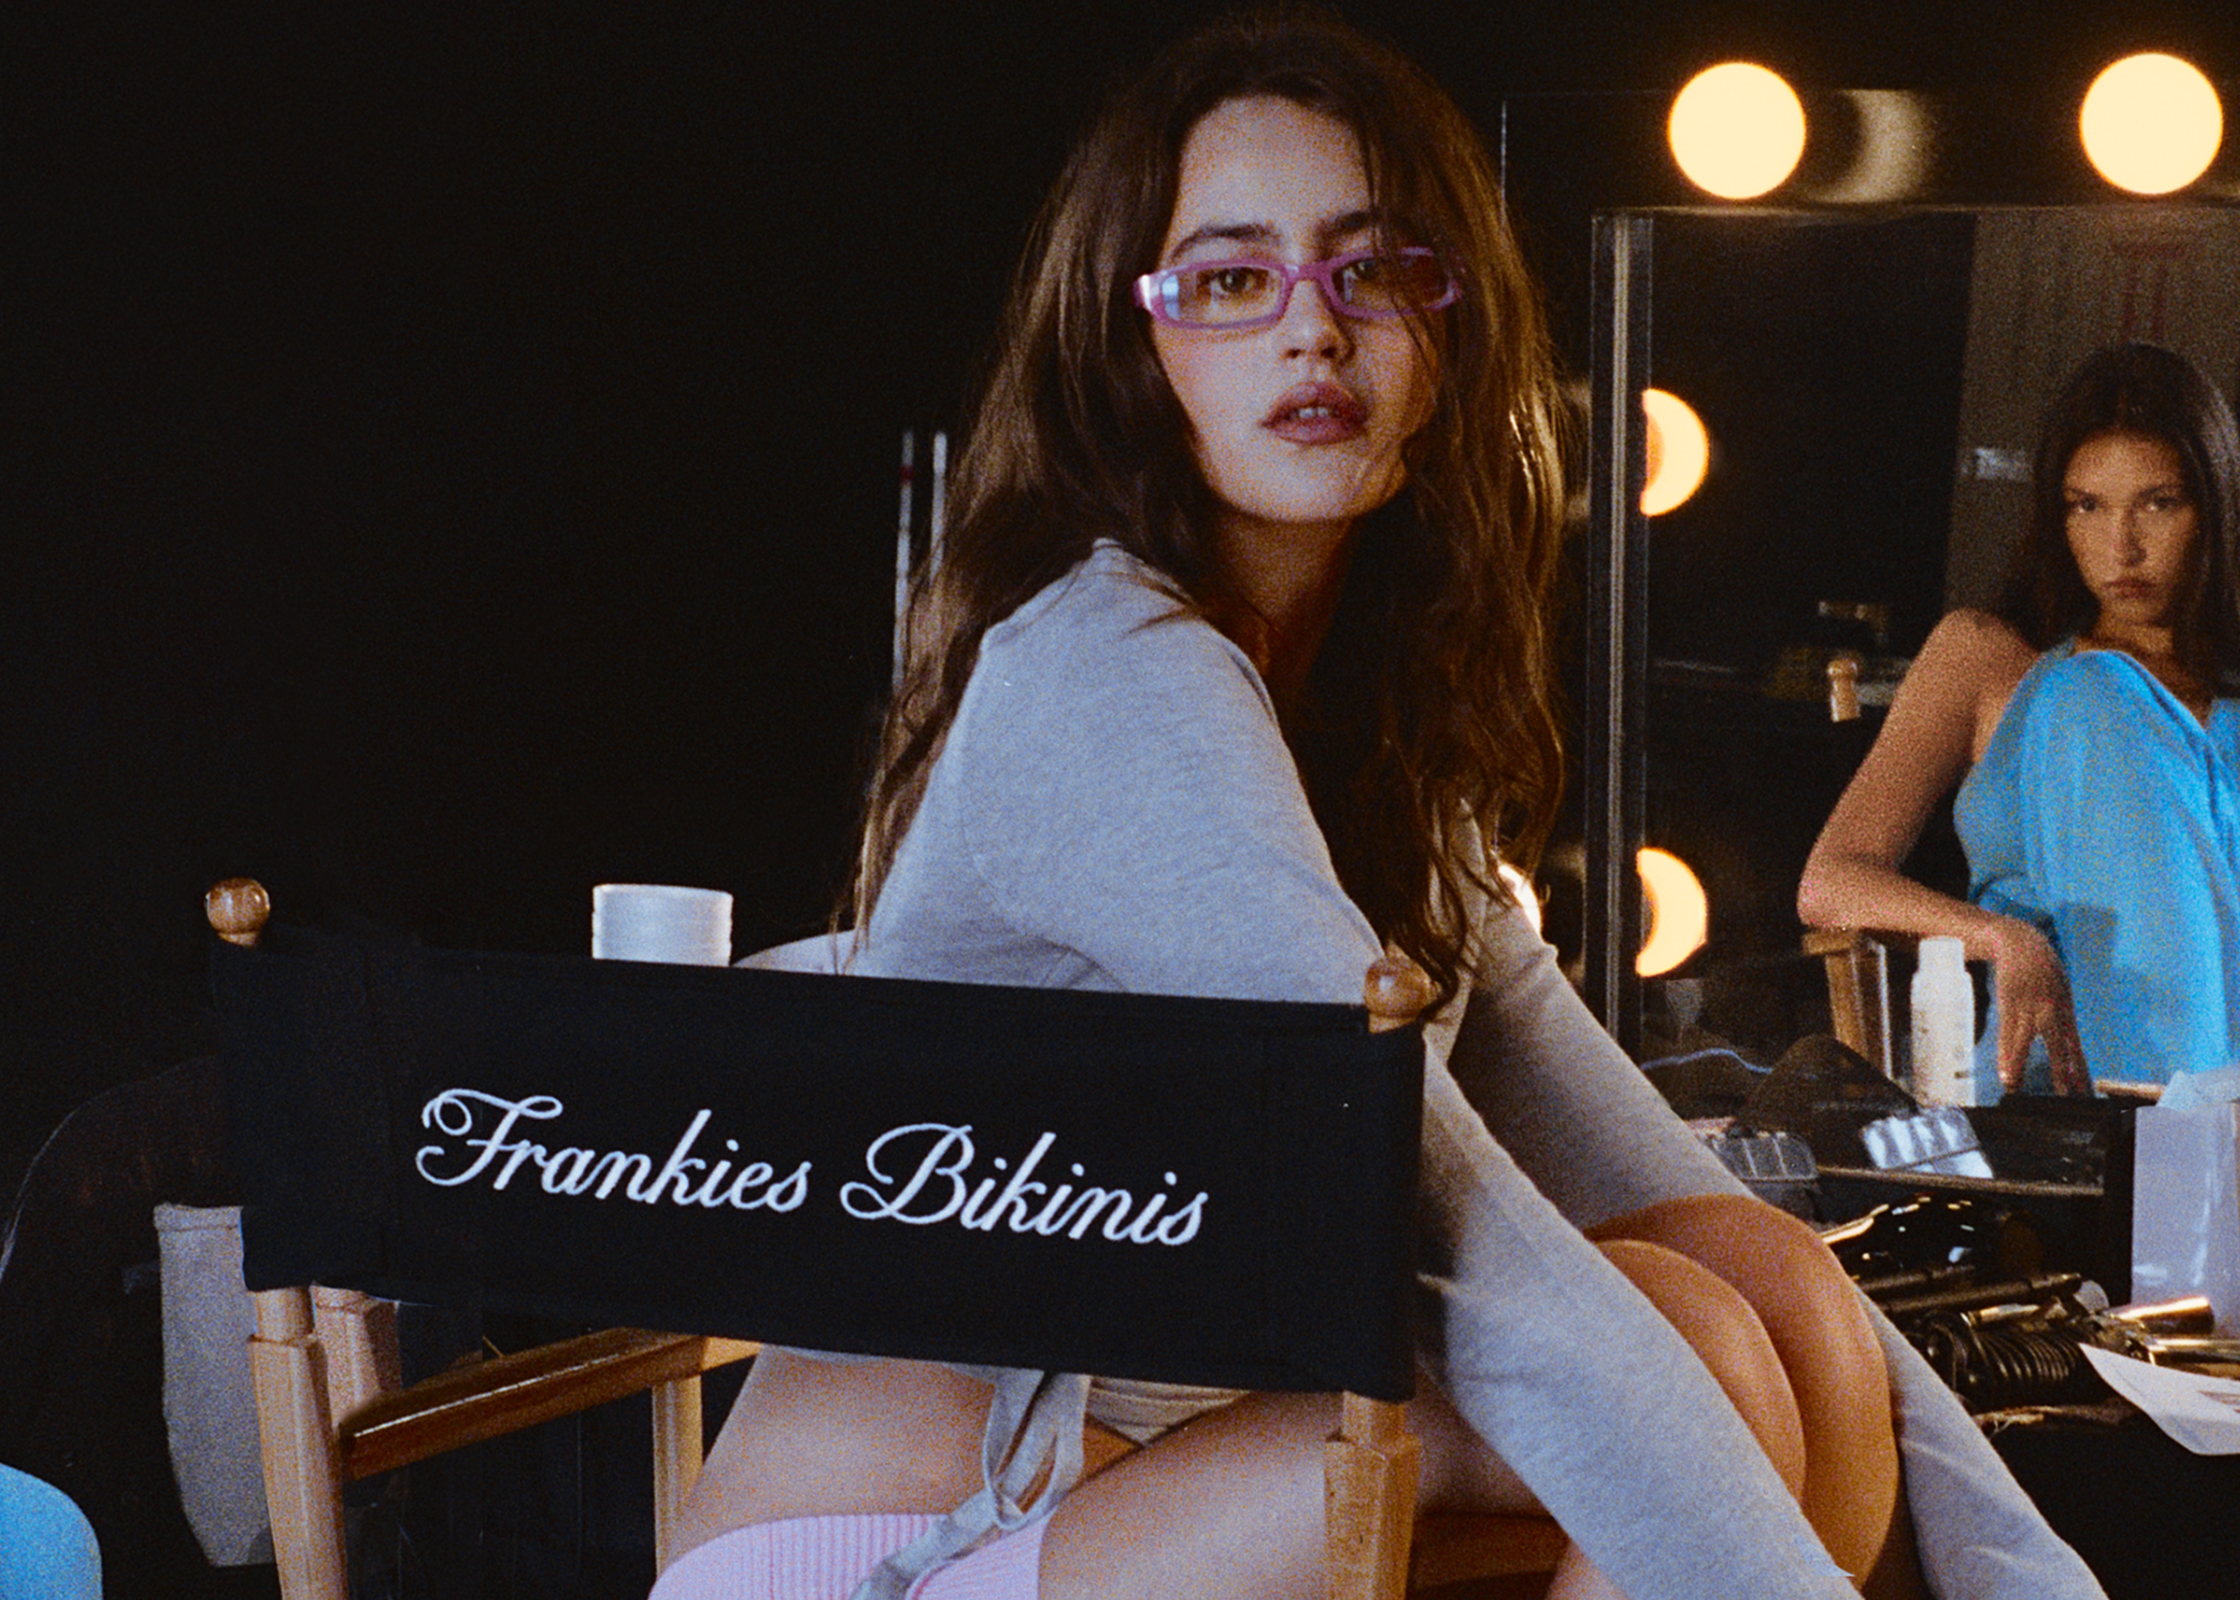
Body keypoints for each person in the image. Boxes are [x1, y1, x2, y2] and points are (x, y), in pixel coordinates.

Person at [661, 11, 2102, 1600]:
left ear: (1451, 333)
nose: (1313, 332)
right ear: (1133, 348)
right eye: (1229, 279)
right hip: (889, 1553)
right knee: (1677, 1331)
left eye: (1374, 269)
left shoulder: (1367, 739)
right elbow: (1490, 1275)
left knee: (1754, 1271)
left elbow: (1669, 1201)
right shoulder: (1104, 669)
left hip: (1158, 1511)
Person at [1799, 343, 2240, 1098]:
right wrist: (1999, 937)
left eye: (2159, 502)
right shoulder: (1989, 661)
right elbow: (1829, 882)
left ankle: (2187, 1129)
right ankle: (2173, 1132)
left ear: (2213, 509)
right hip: (2048, 1076)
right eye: (2087, 506)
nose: (2121, 546)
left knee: (2098, 695)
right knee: (2091, 693)